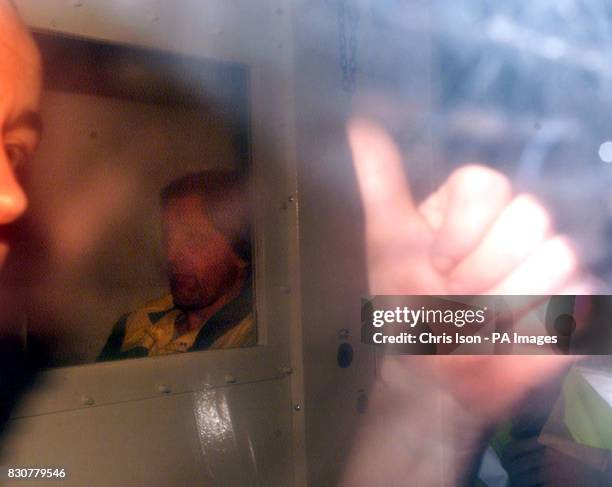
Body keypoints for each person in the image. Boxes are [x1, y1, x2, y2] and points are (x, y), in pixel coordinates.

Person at [97, 171, 255, 361]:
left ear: (240, 251)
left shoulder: (254, 338)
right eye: (168, 237)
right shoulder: (137, 322)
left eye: (193, 239)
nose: (171, 255)